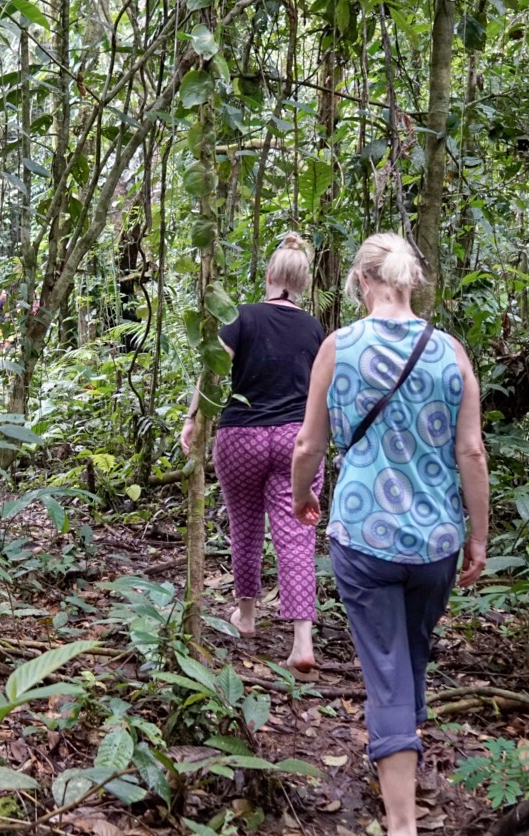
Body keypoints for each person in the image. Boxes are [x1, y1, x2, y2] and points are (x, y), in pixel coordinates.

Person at [289, 232, 490, 836]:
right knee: (408, 655)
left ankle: (401, 820)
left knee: (388, 667)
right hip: (436, 542)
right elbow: (471, 451)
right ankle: (403, 745)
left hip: (363, 535)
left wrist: (303, 498)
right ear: (409, 281)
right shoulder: (451, 351)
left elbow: (308, 443)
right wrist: (478, 535)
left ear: (360, 281)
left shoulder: (338, 347)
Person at [181, 233, 326, 671]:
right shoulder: (315, 328)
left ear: (268, 276)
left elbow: (213, 373)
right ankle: (302, 640)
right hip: (295, 441)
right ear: (304, 283)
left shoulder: (241, 317)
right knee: (298, 531)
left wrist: (192, 418)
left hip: (241, 436)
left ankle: (245, 616)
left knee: (245, 525)